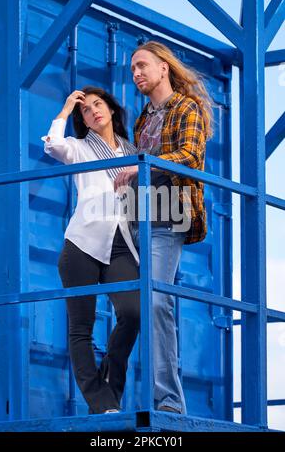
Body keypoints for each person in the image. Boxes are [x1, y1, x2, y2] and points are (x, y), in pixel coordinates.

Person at [115, 41, 213, 414]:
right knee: (140, 306)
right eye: (132, 69)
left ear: (163, 68)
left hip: (168, 216)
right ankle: (115, 398)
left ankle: (169, 401)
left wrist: (139, 163)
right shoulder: (143, 118)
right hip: (138, 218)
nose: (137, 73)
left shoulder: (187, 108)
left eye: (142, 66)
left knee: (156, 301)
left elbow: (189, 155)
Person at [41, 86, 140, 414]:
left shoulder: (131, 151)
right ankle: (101, 403)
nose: (93, 111)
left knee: (133, 313)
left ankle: (110, 390)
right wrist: (67, 107)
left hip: (121, 243)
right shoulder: (79, 147)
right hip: (82, 244)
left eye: (99, 105)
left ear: (111, 110)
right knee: (81, 328)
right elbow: (52, 145)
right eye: (87, 110)